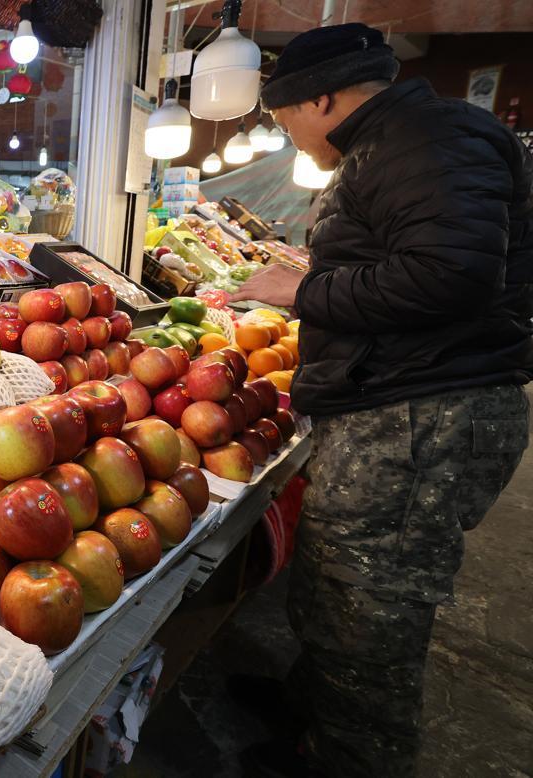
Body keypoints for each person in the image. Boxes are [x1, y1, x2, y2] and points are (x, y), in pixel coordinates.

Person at [227, 23, 533, 778]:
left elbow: (452, 274)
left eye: (283, 116)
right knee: (339, 585)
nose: (288, 136)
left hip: (420, 417)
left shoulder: (425, 139)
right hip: (398, 403)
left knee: (374, 609)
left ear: (321, 97)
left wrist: (305, 289)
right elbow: (421, 257)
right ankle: (315, 709)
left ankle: (354, 757)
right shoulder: (404, 138)